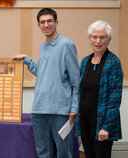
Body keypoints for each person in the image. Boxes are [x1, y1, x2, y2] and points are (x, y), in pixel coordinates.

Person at [12, 8, 80, 158]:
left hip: (60, 112)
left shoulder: (66, 45)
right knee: (43, 153)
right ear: (38, 25)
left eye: (49, 21)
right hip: (39, 110)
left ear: (56, 22)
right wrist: (27, 59)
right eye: (42, 22)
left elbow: (76, 81)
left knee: (64, 153)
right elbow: (42, 72)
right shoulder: (44, 46)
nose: (46, 25)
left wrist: (74, 108)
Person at [75, 20, 123, 158]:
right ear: (89, 39)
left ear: (109, 40)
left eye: (102, 37)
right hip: (85, 121)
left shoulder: (113, 62)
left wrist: (106, 127)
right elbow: (80, 90)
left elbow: (115, 99)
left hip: (102, 124)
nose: (98, 41)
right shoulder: (85, 61)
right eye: (94, 37)